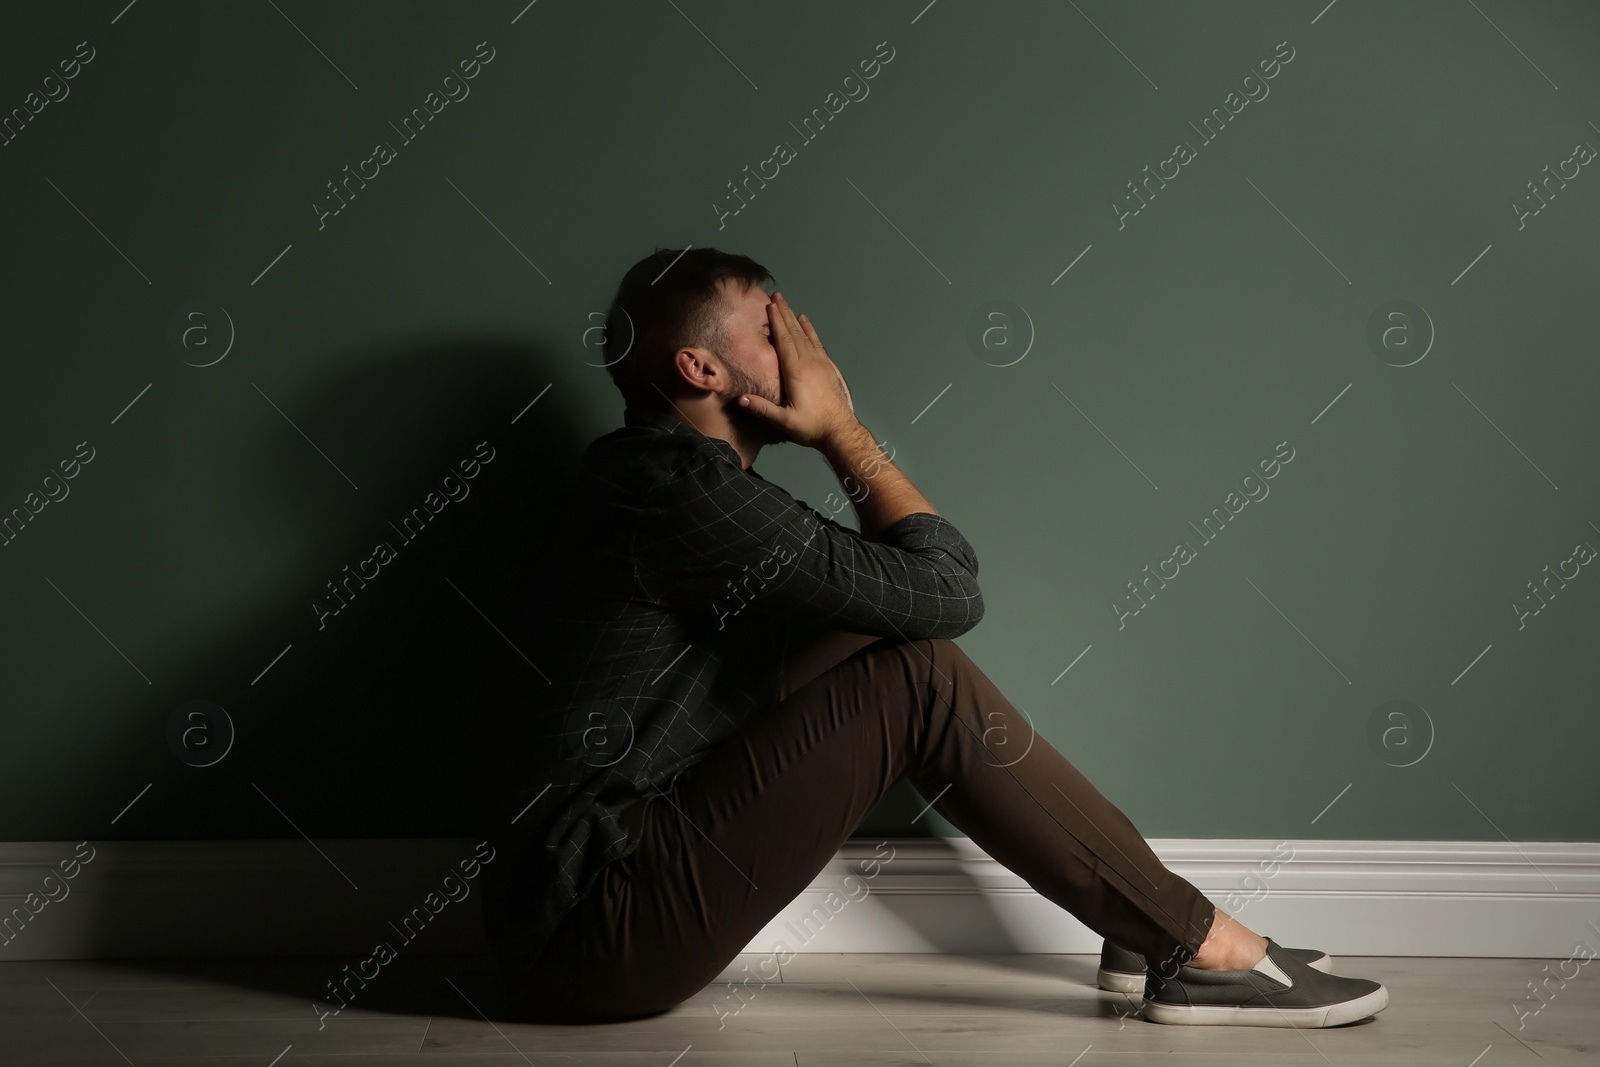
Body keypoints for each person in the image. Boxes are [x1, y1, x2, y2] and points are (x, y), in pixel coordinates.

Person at [479, 247, 1389, 1029]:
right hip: (591, 941)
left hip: (591, 912)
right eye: (773, 331)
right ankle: (1197, 943)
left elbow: (915, 594)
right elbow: (948, 587)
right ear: (702, 370)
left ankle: (1148, 921)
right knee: (917, 675)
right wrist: (840, 429)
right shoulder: (681, 492)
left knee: (894, 647)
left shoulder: (663, 480)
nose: (809, 354)